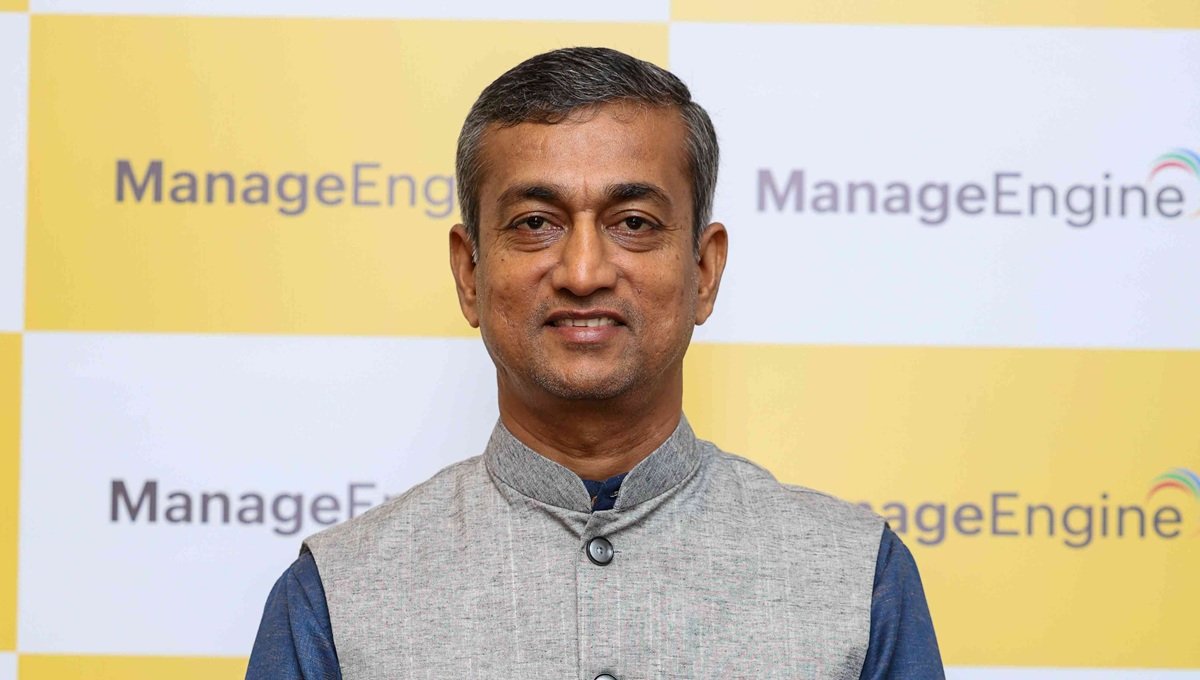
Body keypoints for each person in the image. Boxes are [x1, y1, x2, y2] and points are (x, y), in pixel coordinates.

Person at [247, 46, 944, 680]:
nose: (583, 272)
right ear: (470, 274)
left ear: (704, 272)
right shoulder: (336, 598)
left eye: (633, 224)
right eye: (535, 224)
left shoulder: (858, 580)